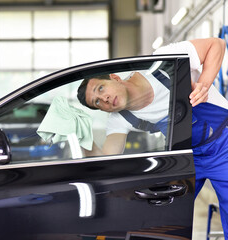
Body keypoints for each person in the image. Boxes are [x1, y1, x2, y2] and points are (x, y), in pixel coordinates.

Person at [77, 37, 228, 238]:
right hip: (188, 159)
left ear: (114, 78)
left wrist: (204, 84)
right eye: (97, 103)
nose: (103, 99)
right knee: (161, 217)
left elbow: (216, 44)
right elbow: (107, 158)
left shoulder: (163, 62)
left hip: (224, 145)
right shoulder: (119, 119)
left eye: (100, 89)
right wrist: (81, 134)